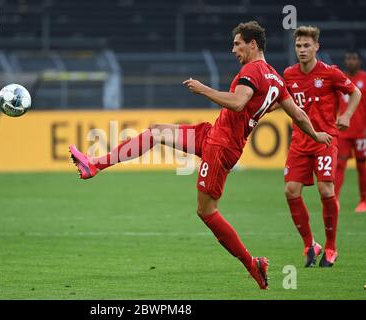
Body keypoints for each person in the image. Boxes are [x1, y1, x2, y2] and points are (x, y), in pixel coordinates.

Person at [69, 21, 332, 290]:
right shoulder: (275, 77)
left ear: (253, 44)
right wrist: (317, 135)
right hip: (213, 134)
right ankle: (95, 164)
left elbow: (239, 102)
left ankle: (253, 265)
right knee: (156, 131)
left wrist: (203, 89)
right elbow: (297, 114)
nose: (233, 50)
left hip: (222, 147)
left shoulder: (252, 70)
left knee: (206, 211)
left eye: (237, 44)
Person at [282, 26, 362, 268]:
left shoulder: (330, 73)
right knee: (291, 191)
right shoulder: (289, 74)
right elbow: (283, 101)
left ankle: (331, 247)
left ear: (316, 47)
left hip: (325, 140)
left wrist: (347, 115)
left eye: (307, 45)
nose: (302, 50)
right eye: (298, 46)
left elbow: (355, 92)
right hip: (300, 141)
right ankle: (310, 244)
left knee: (327, 190)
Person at [335, 50, 366, 213]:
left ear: (359, 61)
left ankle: (364, 201)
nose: (351, 61)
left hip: (362, 132)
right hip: (343, 132)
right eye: (348, 58)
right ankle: (335, 199)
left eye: (354, 58)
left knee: (363, 168)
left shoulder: (365, 79)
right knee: (338, 165)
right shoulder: (340, 79)